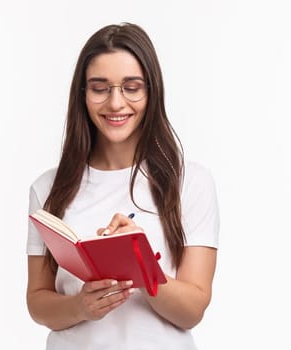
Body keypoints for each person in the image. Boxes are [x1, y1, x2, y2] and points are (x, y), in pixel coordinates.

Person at [25, 22, 220, 349]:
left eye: (132, 87)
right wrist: (80, 306)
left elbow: (192, 310)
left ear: (151, 91)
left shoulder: (190, 183)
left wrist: (141, 264)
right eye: (100, 88)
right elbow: (37, 302)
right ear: (83, 94)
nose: (116, 103)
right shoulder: (47, 188)